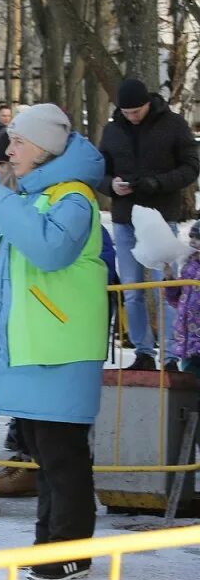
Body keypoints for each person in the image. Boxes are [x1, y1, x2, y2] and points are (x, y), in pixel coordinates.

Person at [0, 104, 107, 580]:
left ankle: (69, 547)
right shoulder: (35, 197)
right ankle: (48, 543)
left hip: (62, 344)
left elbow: (49, 250)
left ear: (42, 148)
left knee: (62, 451)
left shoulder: (74, 199)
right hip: (35, 343)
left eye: (17, 141)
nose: (8, 149)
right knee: (42, 446)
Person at [98, 78, 200, 371]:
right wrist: (111, 185)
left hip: (160, 214)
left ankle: (169, 355)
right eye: (126, 112)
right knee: (132, 289)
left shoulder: (174, 125)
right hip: (124, 217)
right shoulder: (113, 130)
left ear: (148, 103)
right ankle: (143, 351)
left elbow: (191, 167)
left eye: (137, 111)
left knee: (165, 286)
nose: (132, 116)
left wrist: (157, 183)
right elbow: (100, 170)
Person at [165, 223, 200, 376]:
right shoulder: (188, 266)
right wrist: (170, 280)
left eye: (198, 238)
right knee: (190, 380)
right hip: (188, 340)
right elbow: (177, 299)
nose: (193, 242)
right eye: (191, 237)